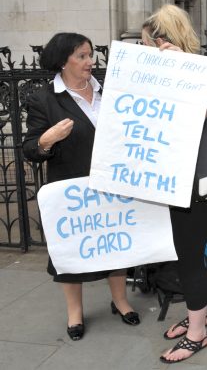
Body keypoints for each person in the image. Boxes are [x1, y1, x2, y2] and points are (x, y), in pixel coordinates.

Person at [23, 32, 140, 341]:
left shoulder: (109, 90)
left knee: (116, 245)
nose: (91, 61)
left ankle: (121, 301)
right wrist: (48, 139)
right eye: (83, 56)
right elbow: (31, 148)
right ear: (64, 61)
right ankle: (75, 313)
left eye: (91, 55)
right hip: (72, 190)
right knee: (70, 251)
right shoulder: (44, 99)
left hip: (113, 184)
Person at [141, 4, 207, 363]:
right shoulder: (168, 74)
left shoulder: (195, 72)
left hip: (196, 183)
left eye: (148, 44)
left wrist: (181, 69)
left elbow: (199, 115)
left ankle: (197, 334)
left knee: (189, 255)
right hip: (178, 180)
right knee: (188, 252)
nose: (145, 51)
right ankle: (198, 313)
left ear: (163, 41)